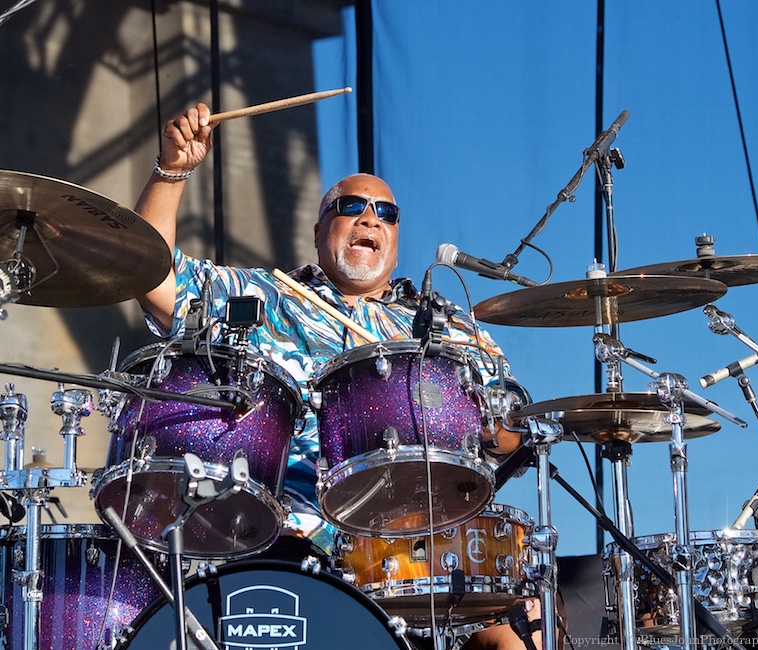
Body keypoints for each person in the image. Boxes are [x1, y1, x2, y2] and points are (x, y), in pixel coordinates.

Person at [134, 102, 560, 649]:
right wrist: (173, 171)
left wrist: (489, 425)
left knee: (517, 634)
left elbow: (508, 436)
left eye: (385, 213)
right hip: (295, 540)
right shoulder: (268, 299)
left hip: (424, 554)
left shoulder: (449, 328)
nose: (369, 219)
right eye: (351, 206)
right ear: (319, 231)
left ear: (395, 236)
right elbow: (153, 276)